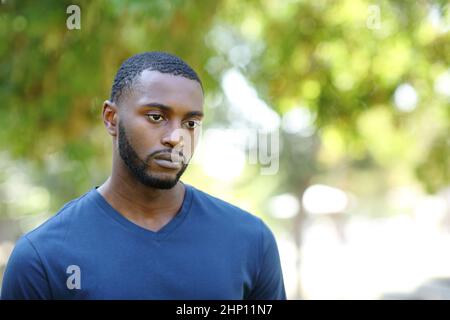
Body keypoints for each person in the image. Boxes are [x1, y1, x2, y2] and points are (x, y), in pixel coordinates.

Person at [1, 52, 286, 300]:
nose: (176, 138)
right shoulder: (42, 258)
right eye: (156, 117)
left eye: (190, 123)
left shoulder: (250, 242)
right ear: (111, 119)